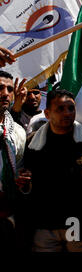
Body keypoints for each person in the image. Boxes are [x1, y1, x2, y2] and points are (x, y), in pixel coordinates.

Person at [23, 89, 82, 252]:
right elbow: (25, 181)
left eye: (71, 108)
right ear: (47, 113)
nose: (67, 113)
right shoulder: (32, 143)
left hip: (79, 223)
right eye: (60, 109)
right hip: (44, 225)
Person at [0, 70, 27, 251]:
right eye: (0, 88)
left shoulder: (17, 132)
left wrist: (23, 181)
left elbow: (20, 168)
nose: (5, 93)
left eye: (10, 89)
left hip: (9, 216)